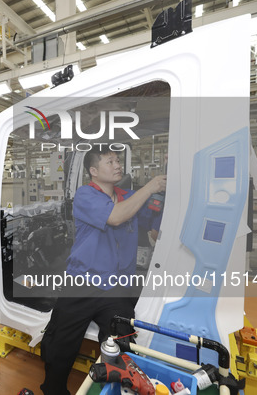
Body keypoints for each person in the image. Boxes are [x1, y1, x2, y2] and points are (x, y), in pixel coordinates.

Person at [40, 145, 166, 395]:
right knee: (60, 342)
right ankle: (53, 389)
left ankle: (114, 389)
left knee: (122, 342)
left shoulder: (130, 196)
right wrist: (150, 187)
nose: (118, 165)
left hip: (116, 288)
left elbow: (156, 217)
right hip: (82, 283)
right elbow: (115, 217)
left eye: (118, 160)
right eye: (110, 161)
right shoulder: (86, 195)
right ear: (94, 171)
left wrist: (157, 221)